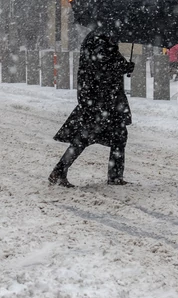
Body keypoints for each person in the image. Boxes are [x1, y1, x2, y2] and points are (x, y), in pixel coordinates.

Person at [49, 31, 135, 187]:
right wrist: (121, 66)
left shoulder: (105, 39)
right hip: (98, 99)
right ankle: (59, 171)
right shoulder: (97, 40)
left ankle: (114, 176)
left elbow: (110, 62)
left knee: (118, 135)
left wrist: (125, 66)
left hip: (106, 99)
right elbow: (101, 66)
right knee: (86, 136)